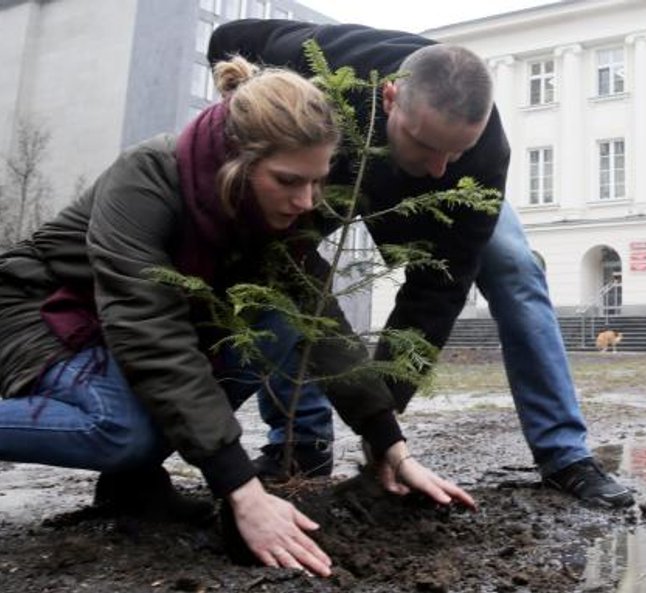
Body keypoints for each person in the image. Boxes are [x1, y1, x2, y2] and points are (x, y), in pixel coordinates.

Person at [0, 57, 474, 577]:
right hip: (40, 310)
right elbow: (149, 333)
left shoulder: (270, 208)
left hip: (113, 329)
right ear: (236, 160)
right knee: (119, 429)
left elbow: (322, 318)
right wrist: (243, 490)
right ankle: (131, 462)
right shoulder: (148, 178)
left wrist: (390, 445)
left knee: (279, 319)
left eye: (316, 182)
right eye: (289, 181)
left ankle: (131, 484)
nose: (306, 201)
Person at [208, 20, 634, 508]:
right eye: (427, 146)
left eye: (457, 151)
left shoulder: (479, 157)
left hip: (447, 208)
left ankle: (565, 455)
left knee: (516, 268)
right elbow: (228, 39)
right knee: (276, 264)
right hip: (331, 169)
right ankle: (302, 443)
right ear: (389, 98)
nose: (439, 168)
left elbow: (439, 288)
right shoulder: (320, 64)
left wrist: (382, 426)